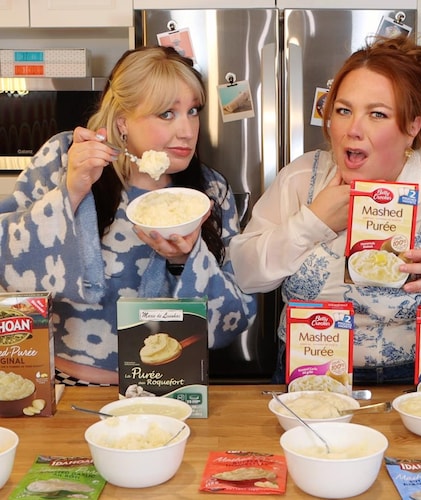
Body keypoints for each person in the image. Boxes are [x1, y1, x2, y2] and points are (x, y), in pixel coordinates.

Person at [230, 35, 421, 385]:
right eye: (343, 110)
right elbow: (246, 272)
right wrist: (311, 223)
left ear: (412, 127)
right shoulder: (300, 180)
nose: (353, 130)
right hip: (309, 376)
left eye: (377, 114)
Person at [0, 46, 256, 386]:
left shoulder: (210, 192)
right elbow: (7, 266)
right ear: (123, 121)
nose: (187, 130)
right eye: (167, 114)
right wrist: (72, 191)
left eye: (193, 111)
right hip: (63, 388)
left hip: (167, 389)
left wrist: (185, 259)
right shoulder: (64, 159)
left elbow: (234, 318)